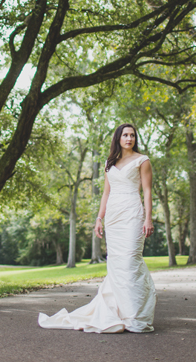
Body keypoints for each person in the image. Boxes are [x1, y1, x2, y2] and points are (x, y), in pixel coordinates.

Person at [38, 123, 157, 333]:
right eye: (125, 135)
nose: (129, 138)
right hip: (113, 216)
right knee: (117, 264)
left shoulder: (142, 160)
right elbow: (105, 193)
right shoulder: (109, 163)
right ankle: (118, 312)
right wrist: (99, 218)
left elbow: (147, 191)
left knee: (130, 260)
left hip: (132, 213)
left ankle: (135, 314)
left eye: (132, 135)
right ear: (118, 138)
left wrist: (148, 218)